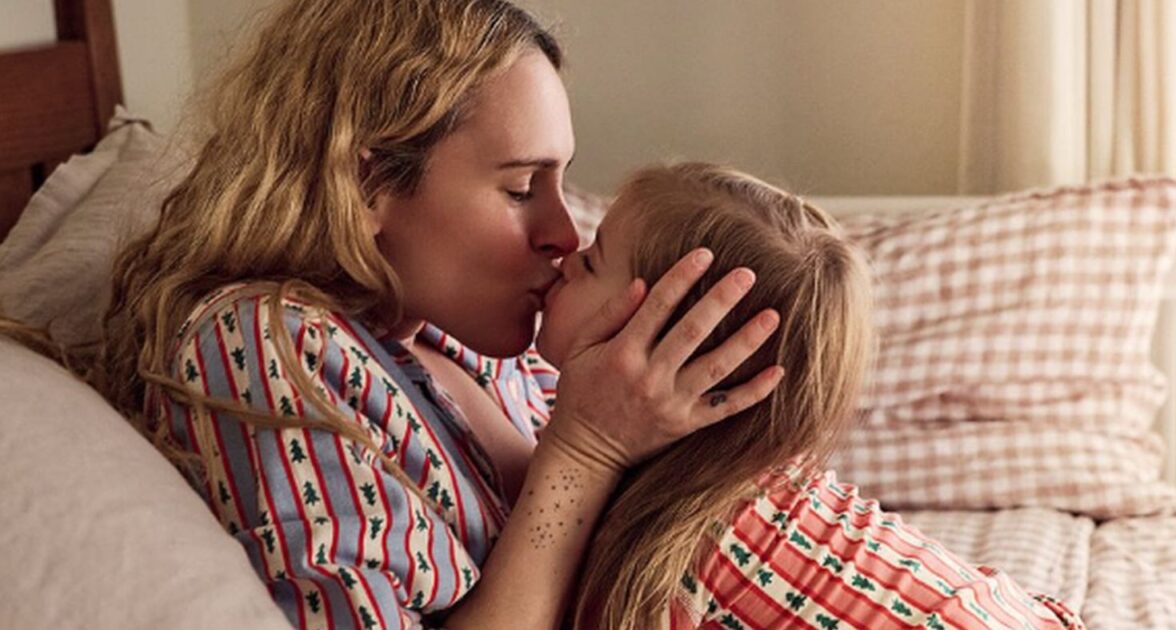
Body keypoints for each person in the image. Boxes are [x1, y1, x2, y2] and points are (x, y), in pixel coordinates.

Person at [82, 1, 781, 629]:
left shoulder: (462, 332)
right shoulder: (265, 346)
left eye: (561, 181)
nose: (566, 234)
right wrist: (585, 450)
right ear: (368, 183)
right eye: (520, 188)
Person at [536, 162, 1085, 629]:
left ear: (673, 341)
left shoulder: (670, 551)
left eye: (591, 261)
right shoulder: (748, 484)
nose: (565, 259)